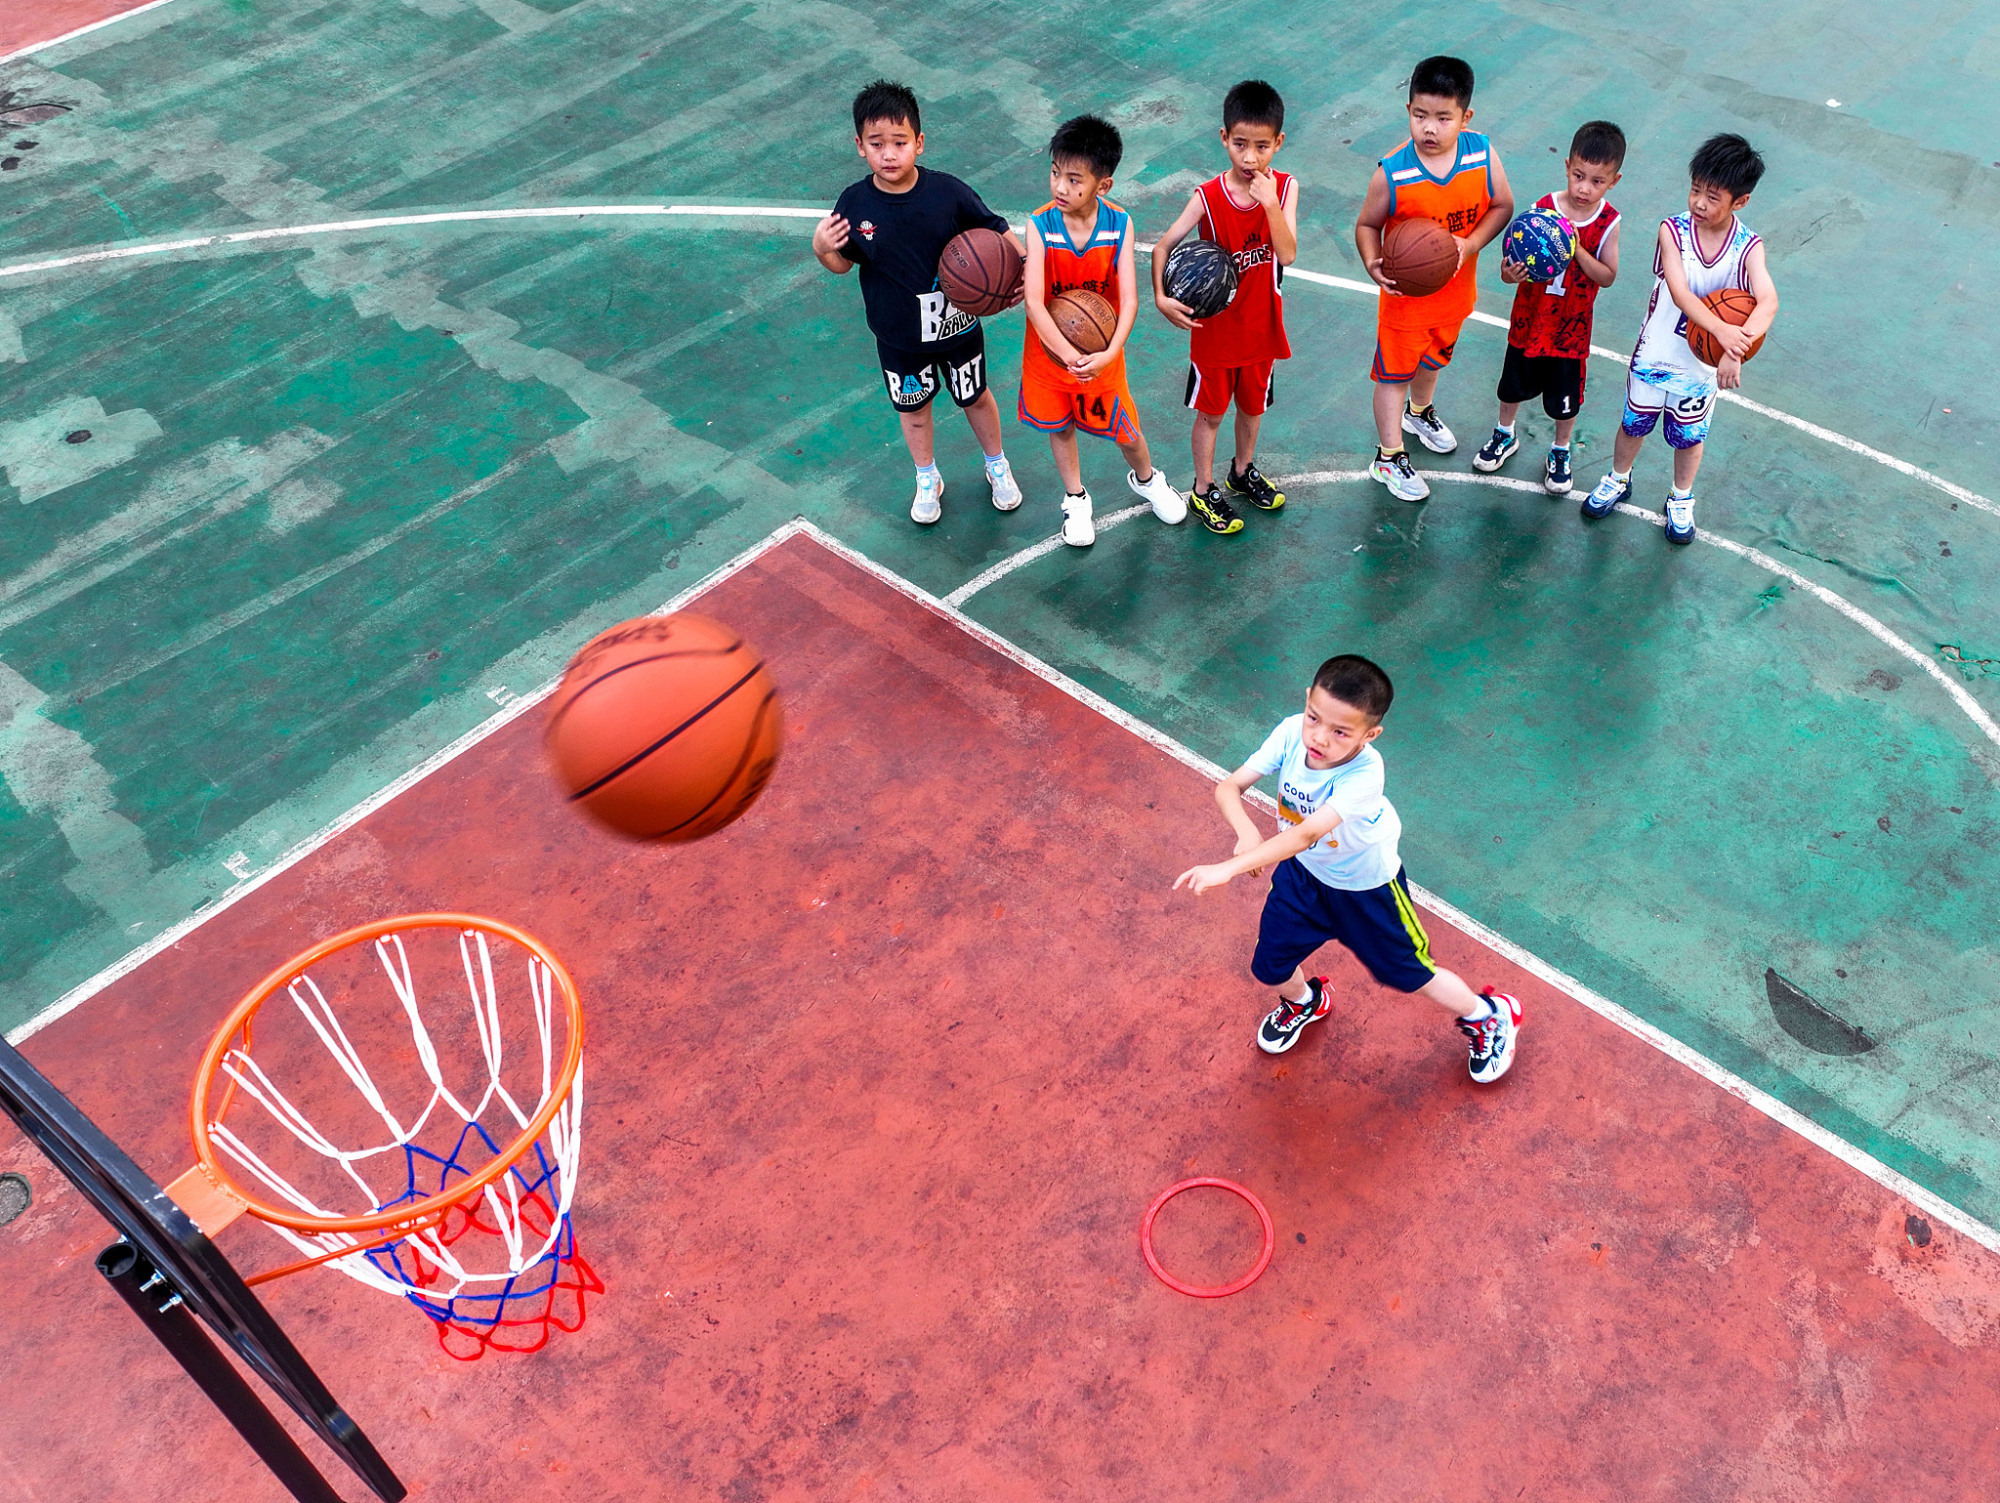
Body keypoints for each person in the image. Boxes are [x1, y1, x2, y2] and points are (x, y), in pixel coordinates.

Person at [1173, 653, 1522, 1083]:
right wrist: (1246, 832)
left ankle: (1488, 1014)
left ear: (1370, 734)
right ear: (1306, 701)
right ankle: (1304, 1002)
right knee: (1269, 966)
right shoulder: (1289, 733)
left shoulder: (1366, 773)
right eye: (1313, 717)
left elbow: (1304, 834)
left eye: (1340, 732)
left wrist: (1229, 867)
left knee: (1408, 973)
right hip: (1303, 879)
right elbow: (1230, 786)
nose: (1319, 738)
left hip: (1366, 891)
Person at [813, 80, 1024, 526]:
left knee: (976, 397)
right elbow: (842, 265)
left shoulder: (948, 193)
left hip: (959, 329)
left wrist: (1023, 270)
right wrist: (821, 248)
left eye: (900, 143)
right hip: (898, 337)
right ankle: (927, 477)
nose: (889, 154)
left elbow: (997, 230)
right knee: (914, 412)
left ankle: (996, 463)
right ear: (859, 147)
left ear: (919, 143)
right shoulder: (854, 204)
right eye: (877, 144)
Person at [1581, 133, 1778, 543]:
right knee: (1634, 425)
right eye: (1695, 191)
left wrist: (1735, 348)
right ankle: (1619, 478)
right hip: (1655, 354)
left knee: (1690, 436)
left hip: (1699, 368)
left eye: (1712, 197)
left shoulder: (1748, 247)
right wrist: (1724, 332)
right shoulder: (1672, 231)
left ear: (1739, 202)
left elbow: (1768, 301)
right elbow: (1680, 292)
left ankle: (1681, 497)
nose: (1699, 203)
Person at [1018, 114, 1189, 547]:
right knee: (1060, 426)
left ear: (1103, 185)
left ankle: (1148, 480)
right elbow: (1036, 302)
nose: (1060, 187)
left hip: (1101, 353)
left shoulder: (1119, 225)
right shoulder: (1039, 225)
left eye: (1075, 179)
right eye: (1055, 173)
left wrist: (1109, 354)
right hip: (1050, 354)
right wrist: (1067, 354)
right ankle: (1076, 498)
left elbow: (1129, 299)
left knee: (1127, 432)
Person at [1353, 56, 1514, 503]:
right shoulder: (1394, 171)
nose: (1429, 128)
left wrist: (1469, 244)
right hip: (1405, 302)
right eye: (1419, 115)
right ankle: (1388, 456)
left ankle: (1419, 413)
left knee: (1432, 363)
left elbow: (1502, 205)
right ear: (1408, 110)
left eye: (1443, 118)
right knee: (1392, 376)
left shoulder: (1481, 154)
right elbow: (1367, 225)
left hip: (1455, 295)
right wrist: (1372, 262)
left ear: (1466, 117)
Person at [1150, 79, 1299, 536]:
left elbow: (1287, 252)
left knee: (1252, 408)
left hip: (1261, 329)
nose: (1250, 157)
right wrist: (1160, 297)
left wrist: (1269, 204)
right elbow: (1163, 248)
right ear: (1223, 139)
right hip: (1215, 335)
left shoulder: (1286, 189)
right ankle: (1203, 486)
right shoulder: (1208, 198)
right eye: (1239, 144)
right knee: (1212, 413)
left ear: (1278, 142)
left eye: (1260, 146)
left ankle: (1242, 470)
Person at [1473, 120, 1625, 496]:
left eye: (1597, 181)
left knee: (1564, 401)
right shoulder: (1542, 209)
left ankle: (1560, 450)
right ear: (1568, 166)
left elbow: (1607, 276)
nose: (1585, 188)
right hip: (1529, 320)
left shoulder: (1608, 222)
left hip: (1570, 331)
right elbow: (1511, 272)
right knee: (1511, 386)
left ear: (1613, 181)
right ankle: (1504, 433)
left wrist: (1575, 248)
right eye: (1578, 175)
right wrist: (1509, 273)